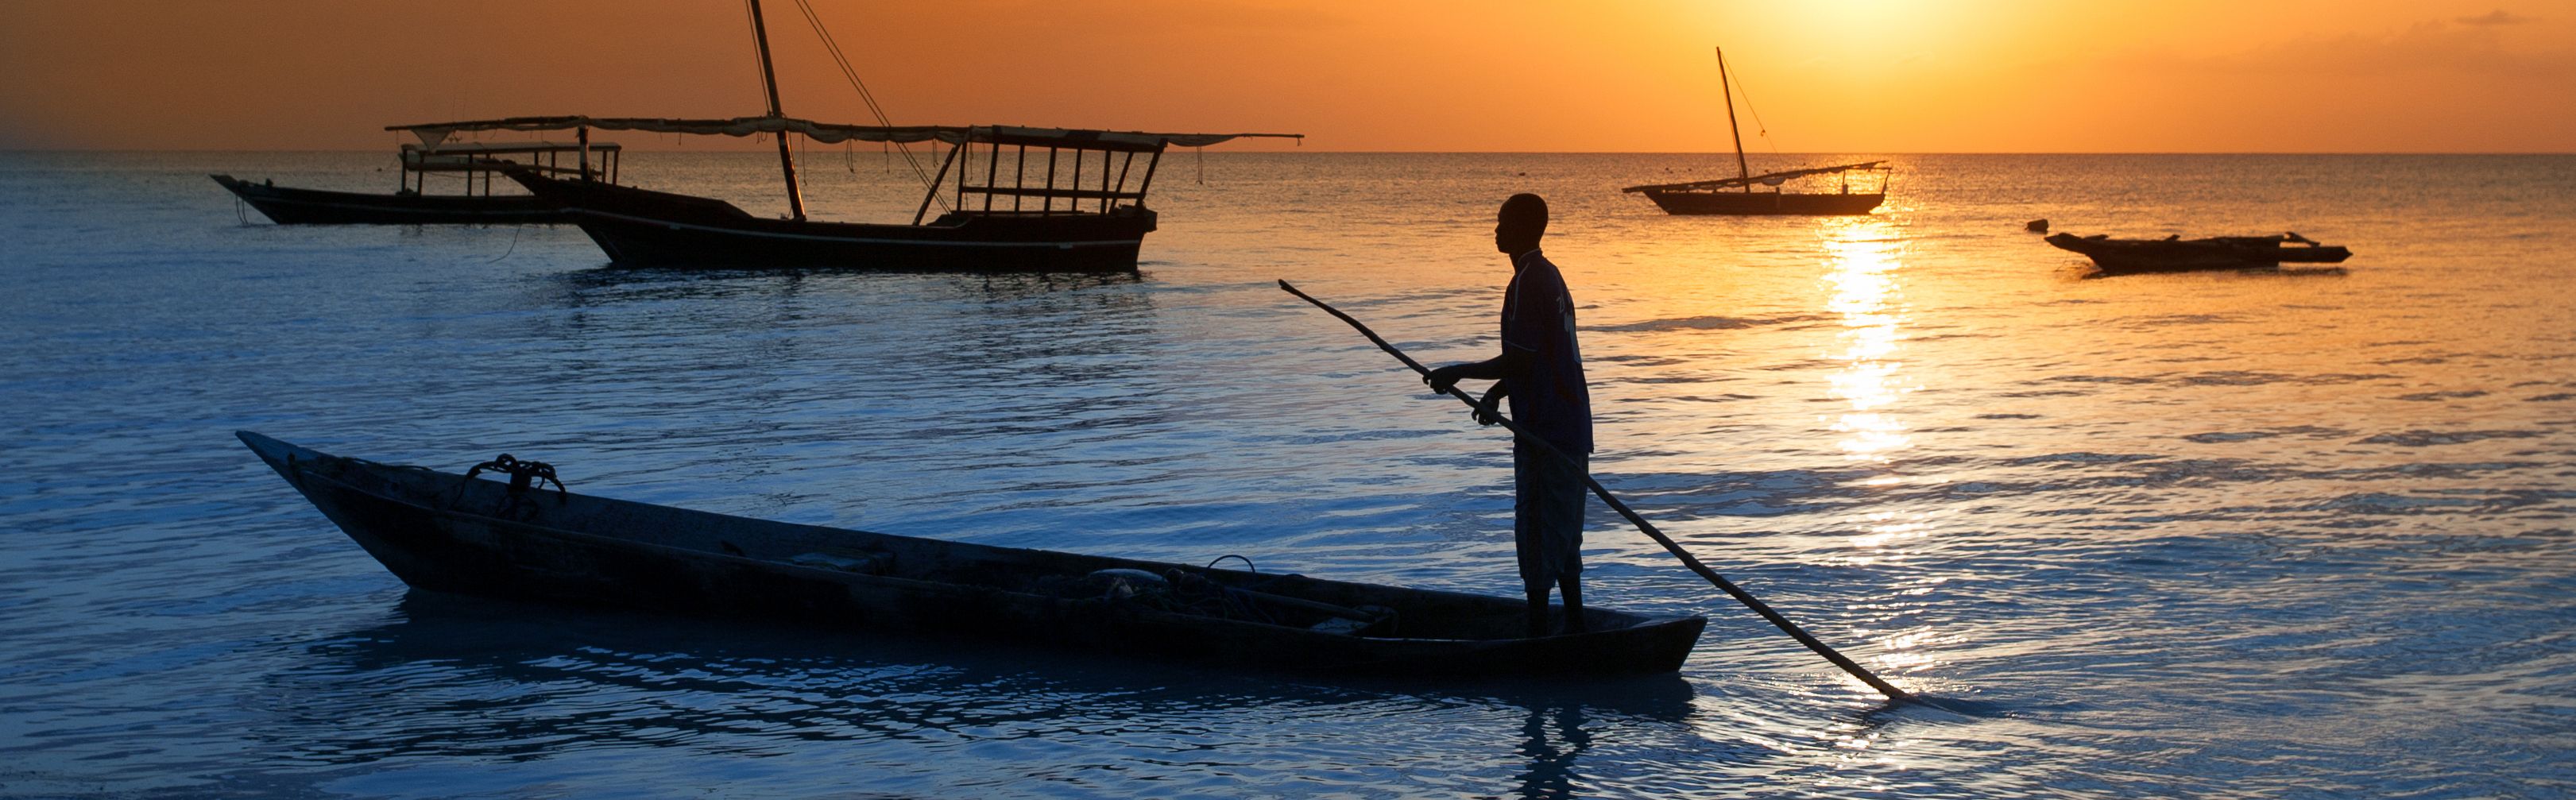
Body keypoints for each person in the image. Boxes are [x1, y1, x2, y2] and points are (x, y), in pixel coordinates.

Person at [1424, 193, 1594, 636]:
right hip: (1570, 425)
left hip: (1546, 431)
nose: (1496, 230)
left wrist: (1458, 372)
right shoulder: (1549, 275)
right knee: (1564, 528)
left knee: (1537, 530)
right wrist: (1498, 395)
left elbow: (1519, 361)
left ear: (1523, 228)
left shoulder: (1526, 283)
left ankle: (1540, 634)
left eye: (1503, 222)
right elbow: (1536, 358)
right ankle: (1576, 626)